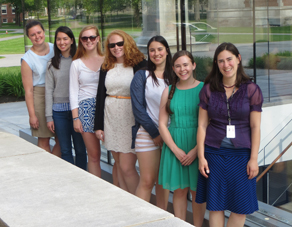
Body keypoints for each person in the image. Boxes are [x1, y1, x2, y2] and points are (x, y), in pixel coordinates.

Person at [195, 42, 263, 227]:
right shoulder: (208, 89)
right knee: (216, 206)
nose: (226, 65)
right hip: (213, 155)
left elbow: (255, 127)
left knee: (240, 207)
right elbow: (201, 125)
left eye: (229, 59)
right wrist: (201, 157)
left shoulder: (252, 90)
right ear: (217, 64)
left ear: (238, 59)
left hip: (242, 156)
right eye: (221, 61)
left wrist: (254, 158)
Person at [94, 30, 146, 194]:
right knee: (118, 163)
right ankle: (127, 200)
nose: (116, 47)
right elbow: (100, 96)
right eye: (112, 45)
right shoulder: (106, 66)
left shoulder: (140, 64)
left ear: (128, 43)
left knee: (126, 166)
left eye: (120, 43)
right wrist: (98, 126)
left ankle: (141, 203)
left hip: (129, 118)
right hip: (111, 117)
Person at [158, 50, 206, 226]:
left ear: (193, 65)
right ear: (173, 68)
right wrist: (176, 150)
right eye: (178, 66)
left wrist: (196, 152)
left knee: (197, 192)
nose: (182, 69)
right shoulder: (168, 90)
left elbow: (209, 123)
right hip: (175, 144)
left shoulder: (204, 89)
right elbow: (162, 124)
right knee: (179, 191)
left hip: (198, 144)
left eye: (186, 64)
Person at [130, 36, 171, 209]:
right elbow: (138, 109)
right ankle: (139, 219)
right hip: (147, 134)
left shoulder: (175, 75)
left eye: (160, 49)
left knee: (164, 183)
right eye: (152, 50)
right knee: (147, 181)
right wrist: (155, 134)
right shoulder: (142, 76)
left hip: (171, 136)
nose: (156, 53)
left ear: (167, 51)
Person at [45, 26, 87, 170]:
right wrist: (49, 117)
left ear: (71, 40)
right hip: (59, 113)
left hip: (78, 113)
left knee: (81, 150)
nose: (61, 42)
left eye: (65, 39)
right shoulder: (52, 64)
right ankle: (72, 179)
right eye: (58, 39)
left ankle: (83, 177)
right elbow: (49, 90)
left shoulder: (80, 61)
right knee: (65, 150)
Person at [21, 20, 60, 155]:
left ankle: (56, 165)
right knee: (44, 139)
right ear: (29, 37)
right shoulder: (27, 59)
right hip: (40, 97)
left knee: (61, 138)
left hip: (58, 94)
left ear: (44, 32)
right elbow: (29, 90)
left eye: (39, 32)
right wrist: (32, 115)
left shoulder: (55, 49)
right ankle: (47, 171)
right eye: (32, 35)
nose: (37, 36)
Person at [69, 25, 104, 177]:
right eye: (85, 38)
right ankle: (98, 189)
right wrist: (76, 118)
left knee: (118, 154)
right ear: (81, 41)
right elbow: (73, 91)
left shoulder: (107, 60)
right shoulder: (76, 63)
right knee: (94, 155)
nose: (89, 41)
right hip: (86, 108)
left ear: (98, 39)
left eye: (92, 37)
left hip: (106, 107)